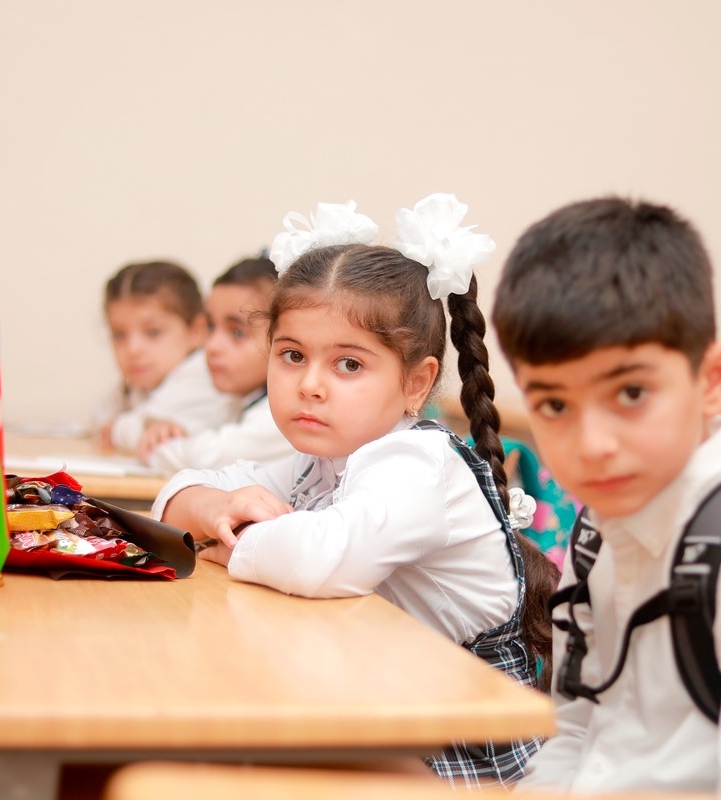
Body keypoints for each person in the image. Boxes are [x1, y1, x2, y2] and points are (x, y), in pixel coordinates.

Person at [152, 197, 554, 787]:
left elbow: (322, 558)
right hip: (379, 702)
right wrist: (214, 508)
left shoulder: (418, 462)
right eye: (292, 356)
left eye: (348, 365)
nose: (310, 385)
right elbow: (179, 493)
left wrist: (228, 541)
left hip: (461, 745)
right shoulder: (322, 460)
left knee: (213, 753)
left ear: (416, 383)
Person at [491, 197, 721, 798]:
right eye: (554, 404)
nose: (593, 444)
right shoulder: (599, 527)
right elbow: (575, 731)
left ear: (712, 380)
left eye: (631, 393)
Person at [146, 256, 294, 474]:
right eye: (210, 327)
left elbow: (206, 458)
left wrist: (159, 444)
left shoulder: (287, 414)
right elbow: (203, 430)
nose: (212, 346)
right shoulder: (238, 399)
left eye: (237, 332)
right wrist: (169, 430)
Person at [98, 260, 240, 457]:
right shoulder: (138, 382)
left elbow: (146, 437)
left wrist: (118, 428)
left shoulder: (203, 373)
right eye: (119, 335)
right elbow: (100, 419)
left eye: (153, 332)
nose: (133, 349)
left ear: (196, 331)